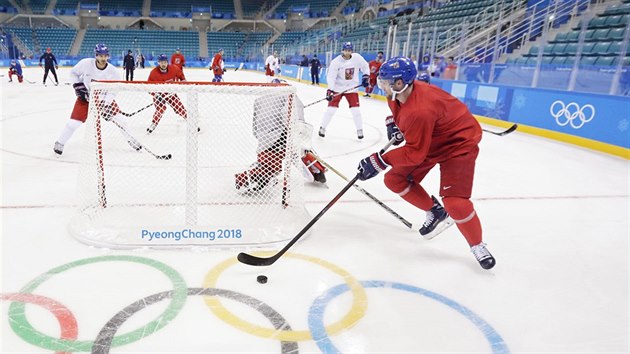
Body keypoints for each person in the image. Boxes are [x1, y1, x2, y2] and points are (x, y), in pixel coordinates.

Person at [356, 56, 495, 270]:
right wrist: (393, 123)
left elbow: (414, 154)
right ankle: (436, 212)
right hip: (430, 139)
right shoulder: (397, 92)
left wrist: (380, 160)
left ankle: (477, 245)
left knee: (456, 203)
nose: (381, 85)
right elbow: (399, 114)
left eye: (384, 81)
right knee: (394, 180)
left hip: (457, 145)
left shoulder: (420, 111)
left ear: (400, 83)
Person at [235, 78, 326, 193]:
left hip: (264, 141)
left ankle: (258, 174)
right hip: (280, 138)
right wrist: (298, 136)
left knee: (270, 164)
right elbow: (292, 119)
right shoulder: (288, 92)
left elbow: (255, 128)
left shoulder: (260, 98)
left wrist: (265, 138)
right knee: (300, 149)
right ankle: (316, 169)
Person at [53, 43, 140, 155]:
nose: (103, 58)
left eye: (105, 56)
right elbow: (73, 73)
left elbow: (113, 90)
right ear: (96, 55)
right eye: (100, 55)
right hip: (86, 99)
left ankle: (131, 140)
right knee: (73, 123)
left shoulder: (113, 72)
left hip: (104, 99)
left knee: (121, 120)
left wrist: (106, 103)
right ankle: (60, 142)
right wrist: (78, 86)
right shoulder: (85, 63)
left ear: (108, 56)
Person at [318, 41, 370, 140]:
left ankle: (359, 130)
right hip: (338, 88)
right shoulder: (336, 62)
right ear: (342, 50)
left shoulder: (357, 58)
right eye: (346, 50)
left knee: (356, 110)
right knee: (331, 110)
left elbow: (365, 66)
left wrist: (366, 76)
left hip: (352, 88)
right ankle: (322, 128)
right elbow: (331, 76)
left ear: (352, 51)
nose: (347, 52)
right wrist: (330, 90)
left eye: (349, 50)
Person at [146, 54, 192, 134]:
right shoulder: (153, 73)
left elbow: (180, 74)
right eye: (161, 62)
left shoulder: (174, 68)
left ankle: (192, 123)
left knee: (180, 108)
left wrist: (183, 80)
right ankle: (153, 124)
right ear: (158, 63)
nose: (163, 64)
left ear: (167, 62)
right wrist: (156, 95)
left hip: (171, 94)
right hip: (159, 95)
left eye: (164, 62)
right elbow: (149, 87)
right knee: (160, 109)